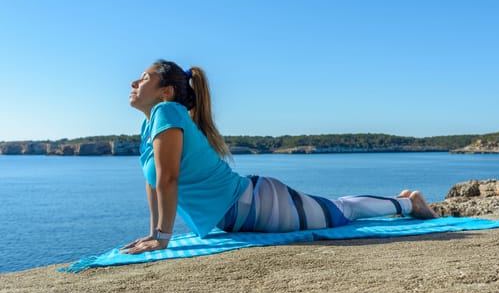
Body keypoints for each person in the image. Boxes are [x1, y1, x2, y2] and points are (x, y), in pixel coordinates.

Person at [122, 59, 439, 254]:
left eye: (145, 78)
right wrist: (154, 234)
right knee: (336, 208)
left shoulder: (166, 112)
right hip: (245, 210)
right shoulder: (151, 125)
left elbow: (168, 178)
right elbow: (154, 183)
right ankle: (404, 200)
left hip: (259, 205)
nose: (135, 83)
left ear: (167, 92)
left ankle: (409, 203)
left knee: (341, 212)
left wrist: (163, 238)